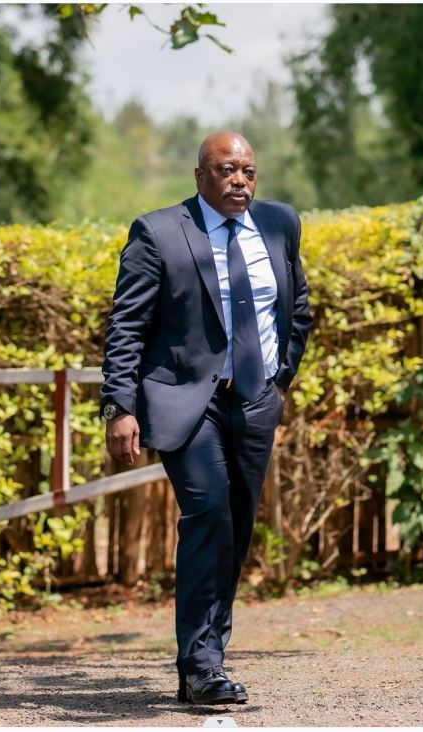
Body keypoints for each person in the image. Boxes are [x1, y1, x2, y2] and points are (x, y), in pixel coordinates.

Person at [100, 131, 313, 705]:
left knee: (236, 528)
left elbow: (297, 308)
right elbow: (127, 326)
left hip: (255, 400)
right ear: (200, 176)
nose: (239, 181)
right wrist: (119, 405)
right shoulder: (159, 232)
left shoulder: (280, 224)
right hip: (186, 401)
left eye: (248, 171)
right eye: (225, 170)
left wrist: (279, 380)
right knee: (209, 514)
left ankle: (206, 660)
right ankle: (200, 665)